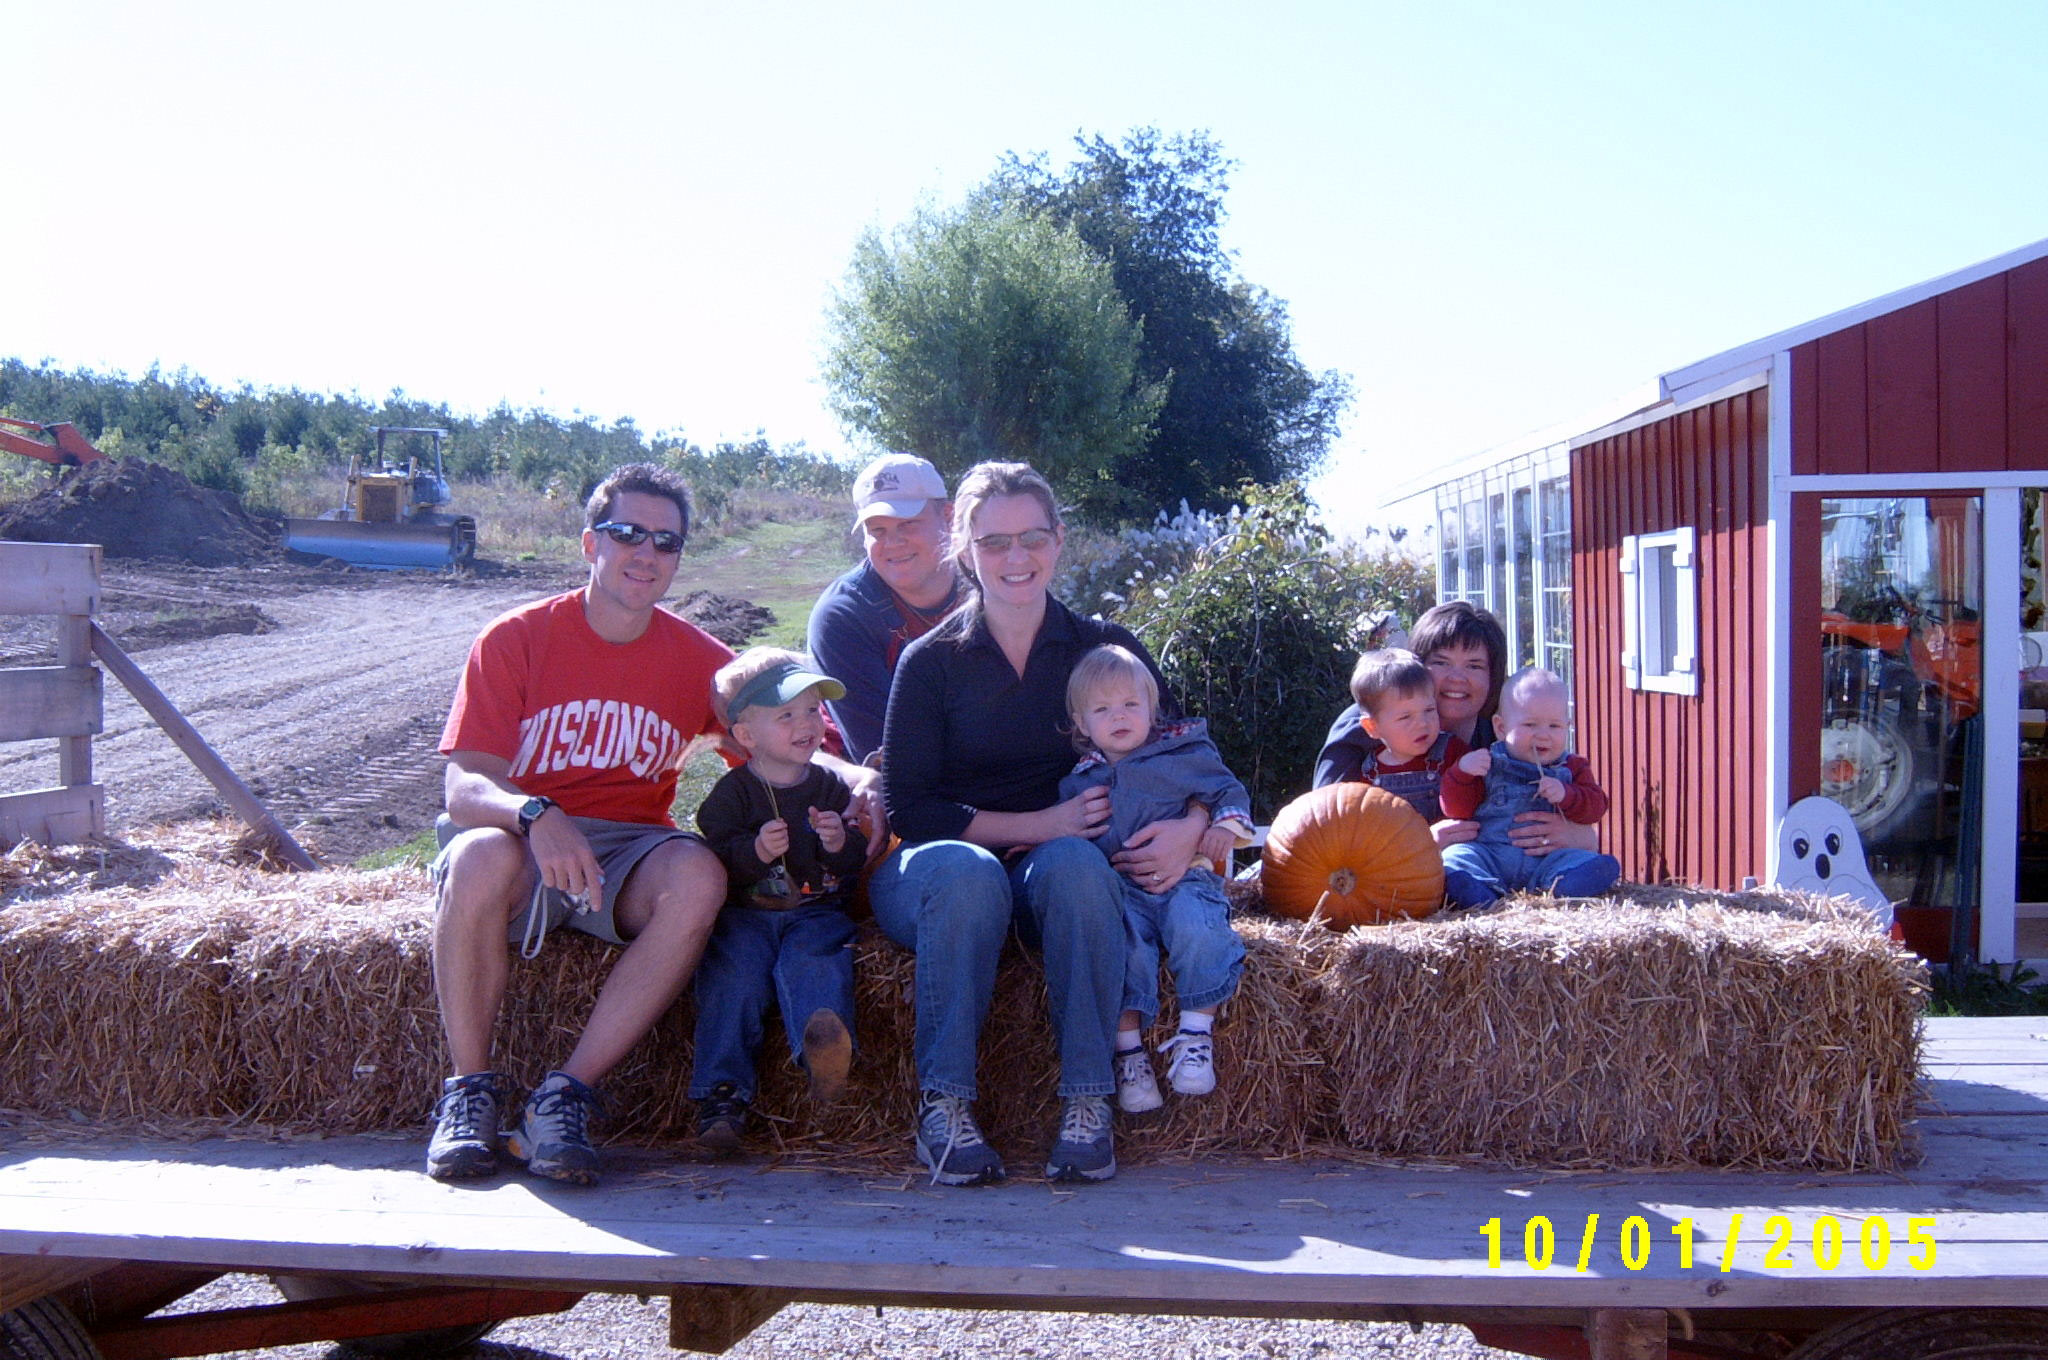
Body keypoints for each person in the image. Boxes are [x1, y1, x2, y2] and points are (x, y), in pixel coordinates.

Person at [873, 461, 1211, 1186]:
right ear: (965, 551)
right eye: (994, 542)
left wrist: (1195, 823)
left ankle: (1088, 1103)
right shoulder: (930, 663)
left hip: (1049, 877)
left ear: (1059, 540)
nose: (1015, 557)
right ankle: (944, 1109)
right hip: (939, 874)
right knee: (969, 874)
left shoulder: (1101, 649)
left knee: (1080, 867)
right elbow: (910, 807)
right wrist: (1043, 821)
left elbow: (1187, 752)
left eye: (1031, 537)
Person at [427, 463, 731, 1186]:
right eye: (628, 533)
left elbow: (787, 735)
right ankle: (469, 1094)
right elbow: (464, 784)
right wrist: (535, 812)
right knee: (475, 856)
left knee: (698, 875)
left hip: (626, 853)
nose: (647, 553)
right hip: (520, 843)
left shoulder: (700, 662)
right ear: (591, 542)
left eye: (666, 541)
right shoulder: (517, 638)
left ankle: (562, 1098)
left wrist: (858, 781)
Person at [1058, 644, 1252, 1115]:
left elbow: (1227, 790)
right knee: (1119, 948)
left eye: (1131, 704)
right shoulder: (1078, 782)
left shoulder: (1183, 753)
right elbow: (1070, 838)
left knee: (1198, 928)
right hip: (1122, 890)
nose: (1119, 716)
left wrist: (1222, 828)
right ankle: (1130, 1055)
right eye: (1102, 709)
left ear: (1152, 708)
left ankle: (1195, 1034)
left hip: (1185, 880)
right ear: (1082, 724)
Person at [689, 647, 866, 1156]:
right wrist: (755, 852)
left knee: (817, 960)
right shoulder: (733, 794)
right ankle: (721, 1096)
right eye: (786, 715)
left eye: (812, 710)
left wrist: (839, 842)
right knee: (734, 977)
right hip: (747, 914)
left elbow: (851, 859)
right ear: (747, 736)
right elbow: (716, 856)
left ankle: (824, 1055)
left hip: (816, 910)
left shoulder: (829, 786)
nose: (806, 724)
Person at [1314, 601, 1599, 859]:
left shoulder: (1506, 730)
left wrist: (1577, 836)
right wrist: (1416, 843)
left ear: (1493, 676)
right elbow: (1323, 827)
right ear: (1416, 667)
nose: (1457, 678)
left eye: (1474, 665)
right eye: (1441, 662)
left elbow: (1582, 825)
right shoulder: (1364, 725)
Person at [807, 453, 964, 767]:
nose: (892, 542)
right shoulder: (843, 617)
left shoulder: (988, 586)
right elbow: (890, 757)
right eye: (877, 530)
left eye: (908, 524)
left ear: (949, 517)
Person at [1438, 667, 1621, 907]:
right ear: (1501, 728)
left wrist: (1567, 795)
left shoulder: (1571, 767)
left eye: (1554, 726)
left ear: (1567, 727)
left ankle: (1564, 885)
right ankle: (1479, 892)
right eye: (1530, 724)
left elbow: (1596, 808)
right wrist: (1461, 773)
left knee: (1580, 861)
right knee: (1456, 858)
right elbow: (1457, 809)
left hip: (1548, 857)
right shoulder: (1487, 762)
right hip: (1491, 854)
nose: (1543, 735)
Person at [1343, 648, 1468, 823]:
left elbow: (1470, 807)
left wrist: (1463, 773)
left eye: (1429, 710)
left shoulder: (1451, 751)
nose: (1423, 723)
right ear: (1373, 727)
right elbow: (1369, 828)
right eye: (1405, 717)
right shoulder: (1369, 774)